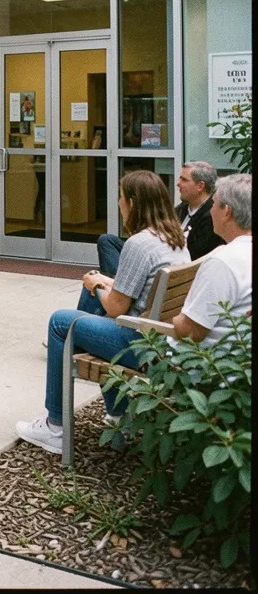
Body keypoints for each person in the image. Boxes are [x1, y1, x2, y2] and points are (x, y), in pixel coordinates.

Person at [15, 170, 189, 454]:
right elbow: (137, 289)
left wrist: (98, 286)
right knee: (91, 288)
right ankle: (118, 417)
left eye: (120, 198)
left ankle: (55, 426)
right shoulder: (174, 238)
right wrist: (98, 282)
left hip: (138, 343)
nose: (118, 203)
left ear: (133, 202)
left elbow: (117, 306)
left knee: (61, 322)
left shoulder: (139, 244)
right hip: (161, 338)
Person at [169, 174, 251, 347]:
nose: (211, 210)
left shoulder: (223, 262)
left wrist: (174, 319)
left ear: (227, 211)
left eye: (213, 204)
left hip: (197, 365)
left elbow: (191, 331)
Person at [95, 161, 221, 274]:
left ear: (200, 186)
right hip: (159, 253)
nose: (178, 184)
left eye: (184, 180)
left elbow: (194, 254)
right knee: (107, 241)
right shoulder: (182, 208)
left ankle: (113, 284)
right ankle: (114, 281)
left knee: (92, 289)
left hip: (173, 265)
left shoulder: (211, 216)